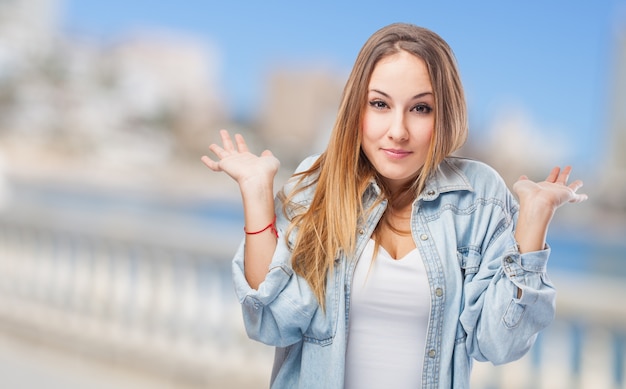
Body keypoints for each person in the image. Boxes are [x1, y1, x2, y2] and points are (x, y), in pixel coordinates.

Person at [201, 23, 587, 389]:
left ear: (445, 113)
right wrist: (256, 194)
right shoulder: (321, 185)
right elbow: (272, 323)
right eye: (380, 104)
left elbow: (498, 344)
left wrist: (533, 224)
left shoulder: (479, 197)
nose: (398, 130)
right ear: (357, 108)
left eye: (421, 108)